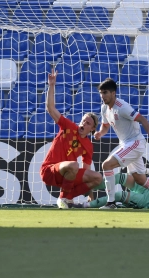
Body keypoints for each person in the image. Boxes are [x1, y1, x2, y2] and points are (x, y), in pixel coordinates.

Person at [94, 78, 149, 209]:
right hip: (126, 144)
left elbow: (143, 120)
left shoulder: (122, 107)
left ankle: (110, 203)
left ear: (113, 93)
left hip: (135, 143)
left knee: (107, 165)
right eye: (101, 93)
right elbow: (105, 126)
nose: (102, 96)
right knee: (140, 179)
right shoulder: (104, 108)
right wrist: (100, 133)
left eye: (105, 92)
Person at [40, 69, 102, 209]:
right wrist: (51, 85)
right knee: (74, 165)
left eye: (87, 123)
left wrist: (90, 194)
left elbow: (86, 170)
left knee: (97, 177)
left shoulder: (88, 145)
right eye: (83, 121)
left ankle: (67, 199)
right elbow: (50, 108)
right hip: (50, 171)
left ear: (92, 129)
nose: (83, 124)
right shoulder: (68, 126)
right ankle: (63, 198)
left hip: (67, 175)